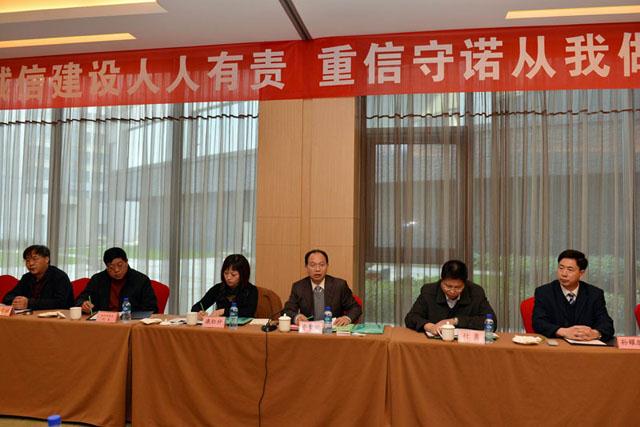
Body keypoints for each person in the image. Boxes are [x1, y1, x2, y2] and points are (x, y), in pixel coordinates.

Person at [533, 249, 614, 341]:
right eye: (561, 268)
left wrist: (595, 333)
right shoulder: (544, 292)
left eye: (570, 269)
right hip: (556, 345)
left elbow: (606, 324)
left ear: (581, 273)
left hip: (585, 346)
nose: (564, 274)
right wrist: (562, 331)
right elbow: (538, 323)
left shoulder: (594, 294)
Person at [405, 259, 496, 334]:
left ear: (465, 283)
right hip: (435, 343)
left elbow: (491, 321)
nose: (452, 291)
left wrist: (455, 321)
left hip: (466, 345)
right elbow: (411, 317)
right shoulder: (429, 291)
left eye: (458, 287)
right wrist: (429, 326)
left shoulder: (476, 292)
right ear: (442, 280)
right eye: (448, 286)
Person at [283, 249, 361, 326]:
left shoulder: (339, 285)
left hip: (333, 330)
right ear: (306, 267)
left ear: (327, 266)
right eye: (313, 265)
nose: (317, 269)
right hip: (309, 331)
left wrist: (347, 318)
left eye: (322, 265)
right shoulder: (299, 287)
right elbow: (287, 310)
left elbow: (355, 308)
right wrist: (297, 317)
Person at [76, 247, 158, 313]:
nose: (116, 270)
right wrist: (83, 304)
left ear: (126, 262)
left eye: (120, 265)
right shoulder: (98, 279)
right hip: (103, 322)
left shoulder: (141, 280)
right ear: (106, 267)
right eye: (111, 267)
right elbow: (81, 299)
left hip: (130, 322)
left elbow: (151, 308)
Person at [2, 245, 73, 310]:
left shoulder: (60, 277)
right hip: (31, 316)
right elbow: (7, 297)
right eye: (27, 260)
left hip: (57, 317)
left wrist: (29, 303)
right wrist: (17, 301)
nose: (31, 263)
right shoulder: (26, 277)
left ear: (47, 259)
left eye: (35, 259)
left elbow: (60, 303)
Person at [191, 254, 258, 319]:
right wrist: (198, 313)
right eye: (226, 273)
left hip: (244, 326)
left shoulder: (251, 290)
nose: (228, 277)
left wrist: (223, 311)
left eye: (233, 274)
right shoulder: (218, 288)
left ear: (243, 274)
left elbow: (249, 312)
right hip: (221, 326)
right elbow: (197, 307)